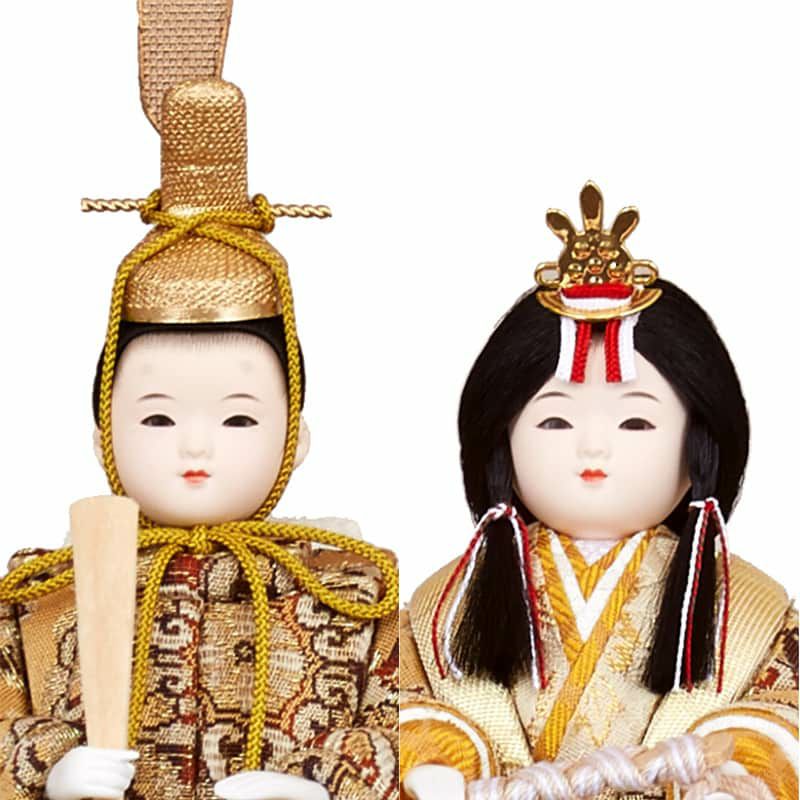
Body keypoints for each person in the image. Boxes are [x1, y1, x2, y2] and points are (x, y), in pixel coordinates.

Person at [0, 24, 398, 800]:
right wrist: (47, 767)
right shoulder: (41, 595)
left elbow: (408, 727)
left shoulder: (350, 587)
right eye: (157, 418)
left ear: (295, 439)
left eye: (239, 419)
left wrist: (323, 786)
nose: (196, 445)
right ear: (103, 435)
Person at [400, 182, 797, 799]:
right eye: (555, 421)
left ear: (699, 447)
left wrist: (740, 771)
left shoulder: (749, 611)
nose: (592, 448)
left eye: (635, 422)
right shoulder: (444, 609)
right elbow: (410, 710)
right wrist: (441, 762)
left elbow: (779, 714)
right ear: (502, 443)